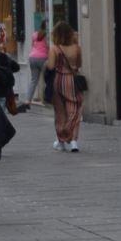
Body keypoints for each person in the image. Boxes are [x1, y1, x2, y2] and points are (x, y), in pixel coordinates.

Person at [46, 21, 83, 152]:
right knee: (74, 110)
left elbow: (50, 66)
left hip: (58, 80)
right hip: (72, 80)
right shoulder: (76, 48)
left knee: (60, 112)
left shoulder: (54, 49)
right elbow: (78, 65)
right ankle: (73, 140)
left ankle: (61, 140)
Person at [25, 20, 49, 107]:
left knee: (34, 80)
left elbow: (32, 45)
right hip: (43, 58)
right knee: (46, 79)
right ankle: (44, 99)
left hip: (32, 57)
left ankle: (28, 100)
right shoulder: (47, 36)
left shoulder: (35, 34)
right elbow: (48, 47)